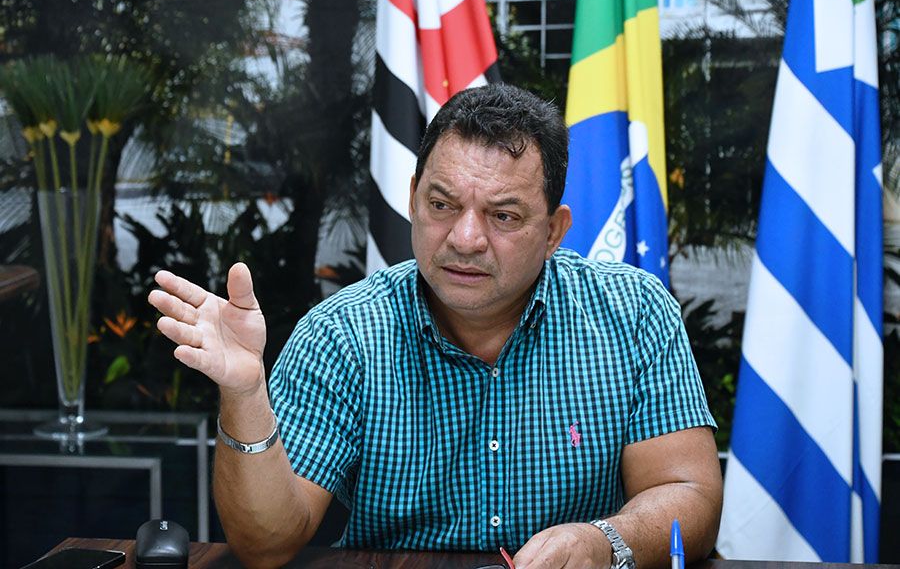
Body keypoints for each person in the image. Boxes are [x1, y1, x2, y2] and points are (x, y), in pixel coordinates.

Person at [149, 83, 722, 569]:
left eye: (503, 216)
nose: (465, 240)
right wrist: (245, 393)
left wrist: (605, 542)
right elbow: (266, 544)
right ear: (412, 199)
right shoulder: (344, 334)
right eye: (442, 205)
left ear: (553, 231)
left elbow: (688, 494)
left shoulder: (633, 313)